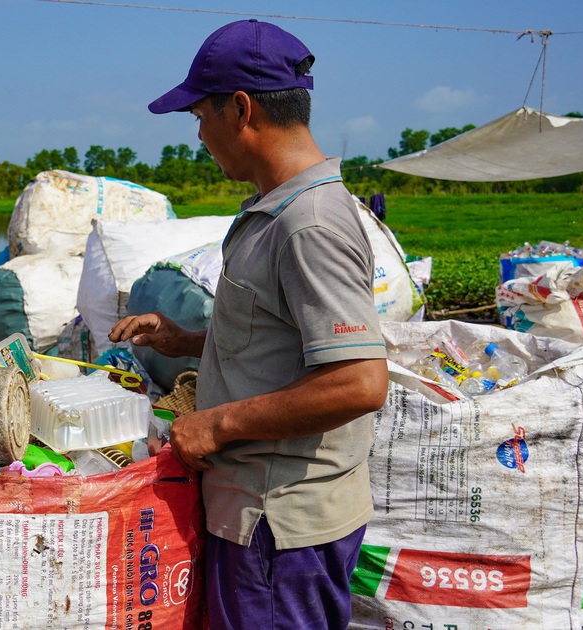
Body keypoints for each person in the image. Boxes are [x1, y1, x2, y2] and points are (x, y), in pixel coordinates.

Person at [109, 20, 388, 629]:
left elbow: (359, 382)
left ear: (240, 109)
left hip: (280, 525)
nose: (201, 135)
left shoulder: (308, 224)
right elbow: (290, 339)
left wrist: (216, 424)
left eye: (200, 116)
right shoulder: (276, 210)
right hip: (264, 518)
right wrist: (187, 342)